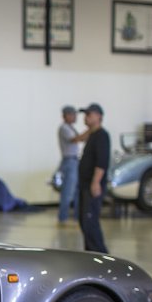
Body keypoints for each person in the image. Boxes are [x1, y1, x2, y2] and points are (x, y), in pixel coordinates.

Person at [77, 103, 110, 254]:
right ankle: (90, 253)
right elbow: (78, 138)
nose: (86, 117)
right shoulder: (92, 134)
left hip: (92, 185)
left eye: (89, 115)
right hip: (84, 185)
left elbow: (101, 161)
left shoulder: (102, 136)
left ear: (99, 117)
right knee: (84, 221)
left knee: (90, 222)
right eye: (86, 115)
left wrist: (96, 182)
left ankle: (102, 255)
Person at [56, 105, 89, 223]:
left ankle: (77, 216)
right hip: (69, 162)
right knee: (67, 191)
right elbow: (75, 139)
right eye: (73, 114)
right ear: (67, 115)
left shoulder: (70, 127)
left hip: (74, 161)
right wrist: (91, 129)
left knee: (76, 191)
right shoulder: (64, 128)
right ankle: (63, 218)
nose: (75, 117)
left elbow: (81, 138)